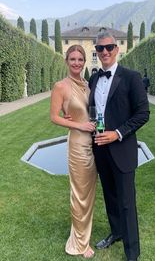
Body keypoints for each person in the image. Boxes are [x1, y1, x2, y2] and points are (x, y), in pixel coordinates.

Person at [88, 31, 149, 261]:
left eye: (109, 47)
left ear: (117, 49)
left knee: (126, 202)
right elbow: (94, 110)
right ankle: (116, 232)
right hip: (100, 148)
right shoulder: (94, 79)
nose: (104, 52)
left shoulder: (131, 77)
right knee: (111, 196)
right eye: (100, 49)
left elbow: (143, 114)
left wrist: (118, 133)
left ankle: (132, 253)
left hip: (121, 149)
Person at [50, 45, 97, 258]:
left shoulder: (88, 85)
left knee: (89, 193)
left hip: (95, 143)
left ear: (84, 61)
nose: (77, 63)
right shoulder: (61, 86)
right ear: (66, 61)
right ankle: (79, 244)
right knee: (79, 194)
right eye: (73, 59)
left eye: (80, 59)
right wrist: (78, 125)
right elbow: (54, 116)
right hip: (78, 145)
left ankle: (83, 235)